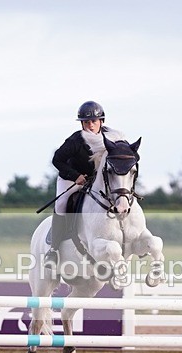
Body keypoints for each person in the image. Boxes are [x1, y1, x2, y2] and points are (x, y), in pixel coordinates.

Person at [46, 100, 122, 267]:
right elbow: (57, 160)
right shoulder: (76, 140)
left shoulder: (112, 138)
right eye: (86, 122)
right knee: (61, 204)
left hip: (97, 182)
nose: (90, 125)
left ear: (101, 121)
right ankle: (53, 250)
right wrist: (75, 176)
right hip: (71, 179)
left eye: (93, 121)